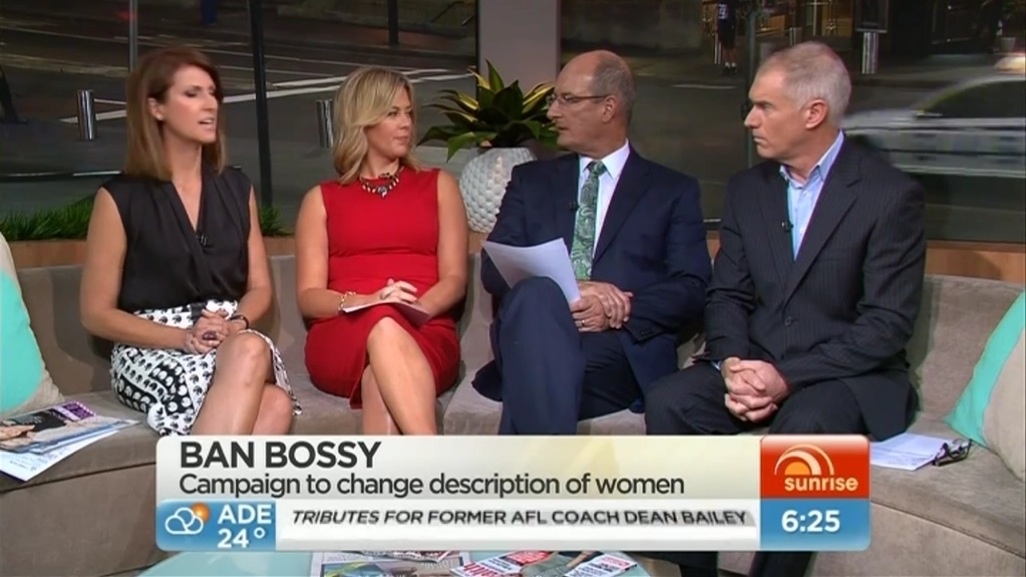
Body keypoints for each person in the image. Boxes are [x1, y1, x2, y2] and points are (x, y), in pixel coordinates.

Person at [644, 41, 926, 577]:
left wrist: (786, 378)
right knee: (670, 401)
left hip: (845, 376)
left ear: (813, 112)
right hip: (757, 361)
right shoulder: (747, 190)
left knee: (808, 424)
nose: (749, 120)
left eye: (764, 107)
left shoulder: (889, 195)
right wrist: (733, 363)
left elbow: (886, 325)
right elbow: (727, 294)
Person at [473, 50, 712, 435]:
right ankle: (547, 470)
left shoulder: (671, 191)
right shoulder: (530, 181)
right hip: (530, 336)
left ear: (608, 107)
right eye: (554, 99)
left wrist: (620, 306)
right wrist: (572, 288)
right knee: (537, 302)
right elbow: (493, 269)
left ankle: (531, 469)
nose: (552, 112)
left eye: (567, 99)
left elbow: (693, 287)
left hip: (615, 349)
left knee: (538, 376)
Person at [80, 46, 299, 437]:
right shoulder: (120, 198)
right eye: (192, 93)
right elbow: (96, 313)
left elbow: (260, 288)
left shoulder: (236, 188)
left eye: (213, 93)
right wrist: (182, 337)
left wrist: (236, 324)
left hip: (230, 338)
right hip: (152, 347)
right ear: (156, 107)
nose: (210, 104)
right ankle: (204, 477)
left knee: (263, 375)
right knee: (269, 395)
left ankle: (196, 477)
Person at [296, 66, 467, 435]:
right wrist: (369, 301)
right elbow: (309, 297)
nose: (406, 124)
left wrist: (414, 309)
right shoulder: (321, 199)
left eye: (408, 113)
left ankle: (403, 472)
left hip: (424, 329)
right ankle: (438, 461)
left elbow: (455, 279)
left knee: (381, 378)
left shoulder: (440, 185)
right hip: (344, 333)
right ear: (363, 120)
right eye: (392, 113)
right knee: (384, 324)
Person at [716, 0, 740, 75]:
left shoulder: (731, 2)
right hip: (722, 25)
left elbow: (735, 11)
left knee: (730, 46)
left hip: (729, 25)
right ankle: (727, 64)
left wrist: (733, 24)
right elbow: (717, 12)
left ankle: (733, 64)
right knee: (725, 46)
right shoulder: (720, 2)